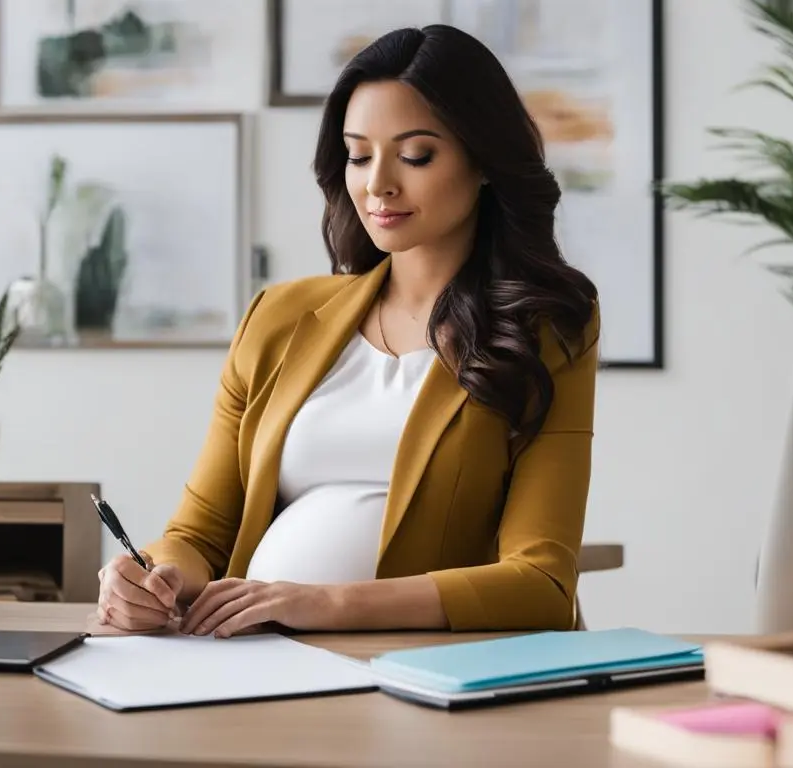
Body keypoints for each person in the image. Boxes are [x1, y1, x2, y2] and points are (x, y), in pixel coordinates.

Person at [96, 24, 600, 637]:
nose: (377, 183)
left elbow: (541, 583)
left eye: (416, 155)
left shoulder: (545, 326)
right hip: (247, 665)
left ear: (484, 161)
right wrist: (155, 577)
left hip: (421, 678)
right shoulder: (277, 318)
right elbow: (197, 535)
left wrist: (323, 602)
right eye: (359, 154)